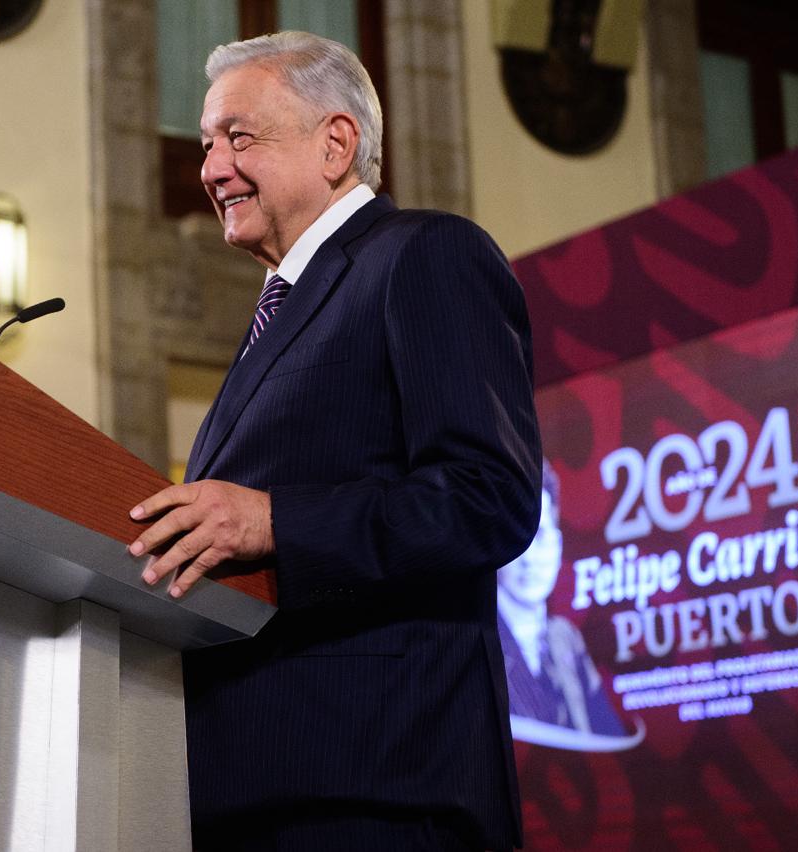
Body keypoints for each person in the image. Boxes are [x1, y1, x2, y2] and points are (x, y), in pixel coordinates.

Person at [127, 31, 541, 851]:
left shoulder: (424, 255)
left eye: (238, 137)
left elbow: (488, 498)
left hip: (377, 786)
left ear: (336, 142)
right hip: (245, 790)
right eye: (208, 143)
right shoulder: (277, 311)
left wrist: (276, 522)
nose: (211, 169)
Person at [497, 459, 627, 740]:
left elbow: (608, 738)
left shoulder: (565, 637)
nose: (530, 558)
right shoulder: (480, 642)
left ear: (558, 545)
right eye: (518, 538)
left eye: (540, 537)